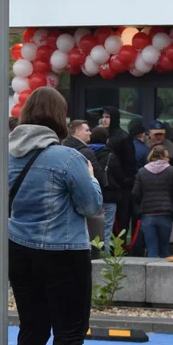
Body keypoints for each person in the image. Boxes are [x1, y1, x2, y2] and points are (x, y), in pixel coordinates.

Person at [8, 87, 103, 345]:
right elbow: (91, 206)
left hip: (18, 248)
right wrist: (91, 177)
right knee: (69, 330)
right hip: (64, 252)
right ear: (59, 118)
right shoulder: (68, 158)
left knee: (32, 328)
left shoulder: (3, 154)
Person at [133, 145, 173, 258]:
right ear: (163, 157)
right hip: (165, 213)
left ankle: (151, 274)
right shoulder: (171, 171)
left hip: (147, 214)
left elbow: (135, 193)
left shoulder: (142, 172)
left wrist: (142, 205)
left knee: (151, 249)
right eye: (168, 157)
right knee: (164, 249)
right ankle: (164, 274)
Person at [65, 119, 106, 252]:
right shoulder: (86, 152)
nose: (90, 133)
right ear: (77, 132)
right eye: (87, 130)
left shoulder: (63, 148)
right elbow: (97, 176)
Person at [102, 106, 137, 238]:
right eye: (103, 117)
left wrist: (124, 181)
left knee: (121, 222)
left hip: (121, 187)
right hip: (106, 187)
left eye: (107, 117)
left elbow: (129, 163)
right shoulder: (101, 136)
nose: (104, 120)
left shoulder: (123, 137)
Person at [89, 126, 125, 251]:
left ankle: (91, 255)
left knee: (89, 229)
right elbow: (120, 176)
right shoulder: (110, 156)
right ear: (106, 139)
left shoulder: (85, 153)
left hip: (91, 196)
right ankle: (105, 258)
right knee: (106, 229)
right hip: (109, 196)